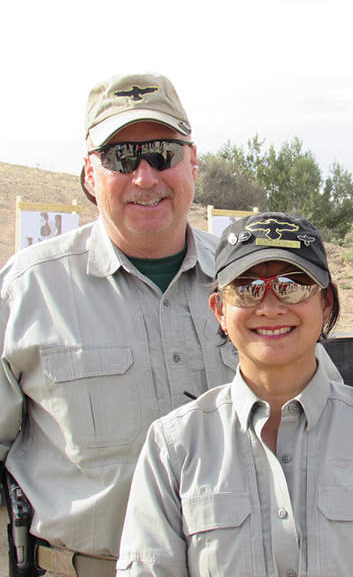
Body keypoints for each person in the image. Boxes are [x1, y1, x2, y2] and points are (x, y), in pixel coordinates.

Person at [116, 211, 353, 577]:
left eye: (292, 285)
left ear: (326, 303)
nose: (269, 307)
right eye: (247, 288)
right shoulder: (174, 446)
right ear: (219, 310)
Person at [0, 73, 240, 576]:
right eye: (120, 158)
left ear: (192, 162)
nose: (145, 176)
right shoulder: (26, 292)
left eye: (162, 153)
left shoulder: (254, 280)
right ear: (90, 175)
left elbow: (321, 420)